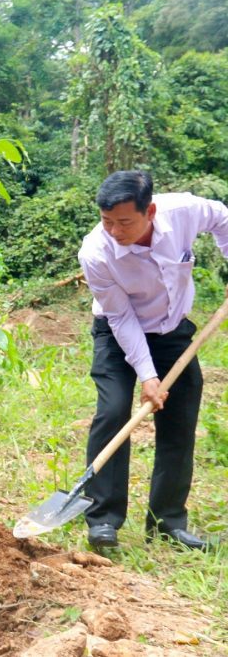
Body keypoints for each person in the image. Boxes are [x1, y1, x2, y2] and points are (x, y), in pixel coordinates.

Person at [78, 170, 228, 551]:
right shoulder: (95, 252)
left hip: (171, 331)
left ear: (151, 211)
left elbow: (223, 217)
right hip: (116, 335)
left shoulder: (184, 211)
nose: (114, 230)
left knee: (179, 419)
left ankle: (167, 522)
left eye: (124, 221)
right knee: (112, 413)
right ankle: (103, 519)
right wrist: (147, 375)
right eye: (106, 221)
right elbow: (121, 317)